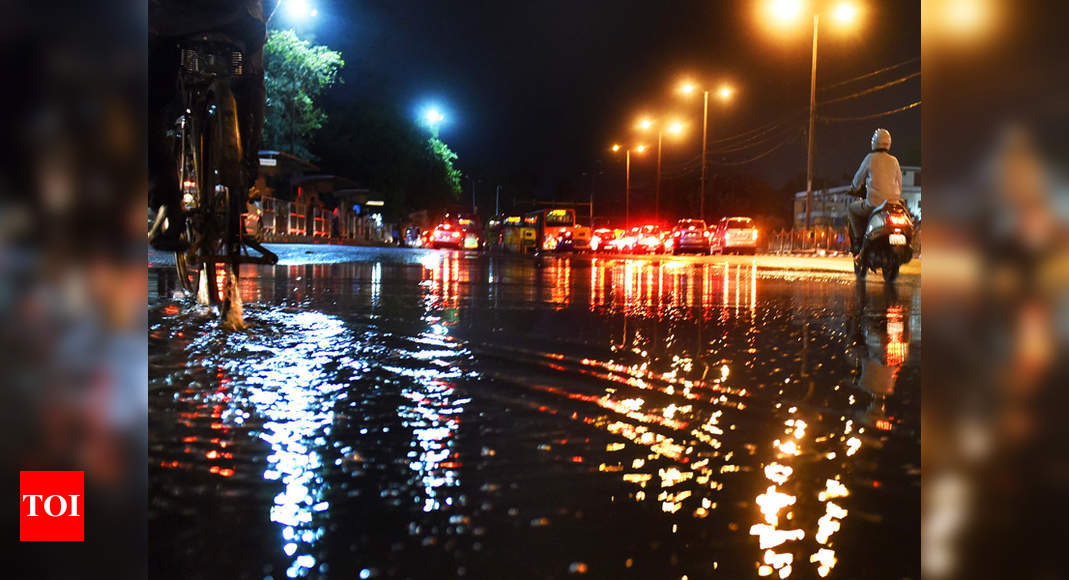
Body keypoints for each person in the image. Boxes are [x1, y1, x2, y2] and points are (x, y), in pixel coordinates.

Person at [148, 0, 266, 251]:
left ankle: (170, 206)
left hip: (173, 23)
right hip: (240, 21)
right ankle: (247, 172)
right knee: (252, 80)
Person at [849, 128, 903, 257]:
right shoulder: (894, 161)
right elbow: (900, 184)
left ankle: (857, 240)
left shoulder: (870, 158)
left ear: (874, 142)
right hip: (892, 204)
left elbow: (858, 179)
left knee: (852, 209)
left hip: (874, 204)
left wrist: (853, 188)